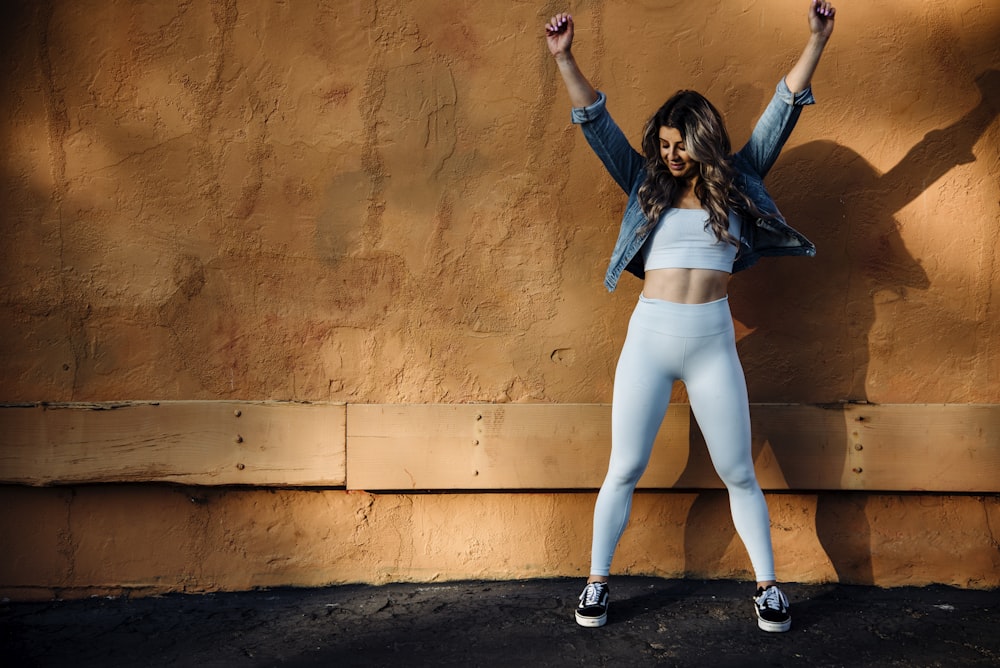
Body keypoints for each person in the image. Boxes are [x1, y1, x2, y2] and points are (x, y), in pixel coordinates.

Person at [544, 0, 836, 632]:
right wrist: (566, 58)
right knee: (625, 466)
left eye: (680, 145)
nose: (671, 155)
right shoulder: (644, 181)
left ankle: (767, 587)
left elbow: (783, 106)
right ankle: (596, 582)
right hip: (649, 338)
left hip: (710, 342)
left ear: (703, 142)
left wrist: (816, 39)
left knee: (738, 471)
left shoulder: (740, 178)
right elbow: (596, 124)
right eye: (665, 145)